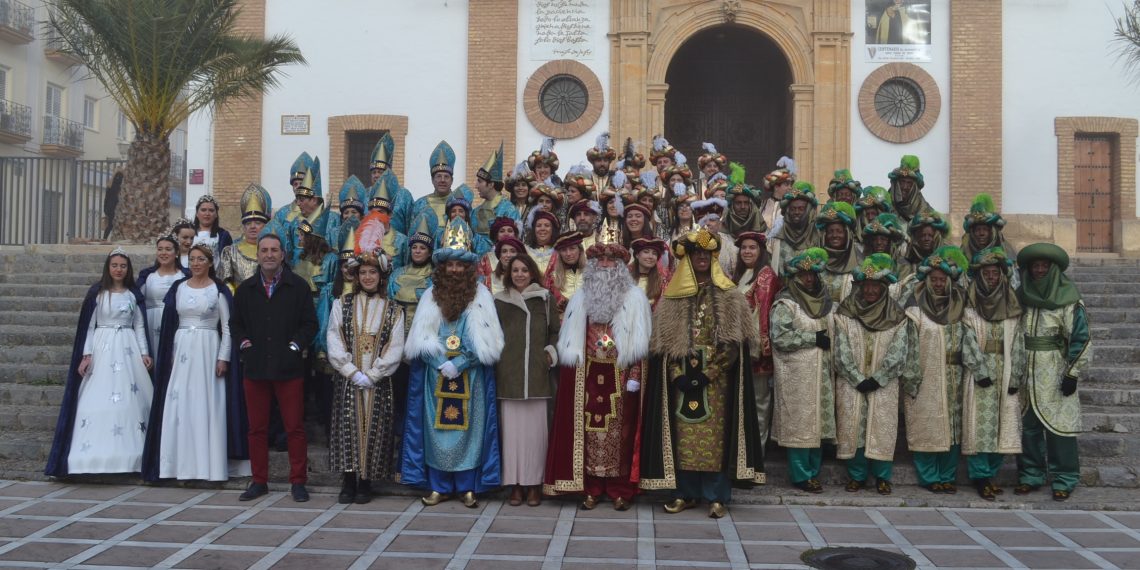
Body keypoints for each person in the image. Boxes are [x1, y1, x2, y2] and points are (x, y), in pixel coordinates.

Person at [641, 228, 765, 518]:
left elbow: (735, 343)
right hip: (681, 378)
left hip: (716, 381)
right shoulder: (672, 296)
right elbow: (662, 344)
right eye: (695, 253)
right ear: (688, 258)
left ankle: (716, 495)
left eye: (705, 254)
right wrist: (676, 374)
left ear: (713, 257)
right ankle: (685, 493)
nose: (700, 258)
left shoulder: (729, 294)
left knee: (716, 438)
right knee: (682, 438)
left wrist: (711, 371)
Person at [402, 217, 504, 508]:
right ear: (443, 267)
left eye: (461, 265)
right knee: (436, 430)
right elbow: (421, 337)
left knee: (470, 430)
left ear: (468, 268)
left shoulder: (481, 295)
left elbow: (488, 340)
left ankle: (467, 486)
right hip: (435, 376)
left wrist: (460, 363)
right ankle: (439, 485)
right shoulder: (430, 297)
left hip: (469, 374)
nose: (455, 270)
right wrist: (439, 362)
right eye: (451, 264)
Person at [546, 242, 651, 510]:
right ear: (592, 266)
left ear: (620, 266)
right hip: (588, 374)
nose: (605, 265)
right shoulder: (581, 298)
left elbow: (641, 341)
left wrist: (636, 374)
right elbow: (571, 339)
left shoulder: (635, 298)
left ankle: (619, 489)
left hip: (621, 373)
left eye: (611, 261)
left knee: (621, 435)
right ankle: (591, 488)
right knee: (590, 432)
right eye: (600, 261)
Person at [143, 242, 249, 482]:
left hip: (207, 348)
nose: (196, 263)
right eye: (192, 259)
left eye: (201, 259)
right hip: (182, 350)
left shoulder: (218, 290)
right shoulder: (179, 288)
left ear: (210, 263)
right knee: (180, 404)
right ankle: (177, 466)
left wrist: (223, 357)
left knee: (205, 404)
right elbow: (171, 324)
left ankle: (206, 466)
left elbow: (228, 328)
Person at [46, 248, 153, 477]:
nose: (118, 269)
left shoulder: (133, 295)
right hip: (102, 347)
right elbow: (90, 326)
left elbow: (140, 326)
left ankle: (129, 456)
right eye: (114, 265)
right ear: (108, 267)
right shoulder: (97, 293)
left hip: (127, 347)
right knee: (94, 399)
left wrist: (144, 352)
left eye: (123, 266)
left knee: (131, 400)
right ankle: (90, 455)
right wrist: (87, 355)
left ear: (128, 269)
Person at [231, 234, 319, 502]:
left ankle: (298, 482)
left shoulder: (298, 287)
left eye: (274, 250)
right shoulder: (246, 289)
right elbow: (236, 325)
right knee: (257, 429)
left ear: (282, 255)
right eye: (264, 250)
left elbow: (309, 325)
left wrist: (294, 347)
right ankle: (259, 481)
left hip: (288, 368)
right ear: (257, 255)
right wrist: (246, 346)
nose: (269, 255)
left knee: (294, 428)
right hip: (256, 368)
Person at [903, 246, 991, 494]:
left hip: (955, 375)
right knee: (927, 426)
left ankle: (947, 475)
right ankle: (930, 476)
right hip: (925, 375)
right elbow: (908, 346)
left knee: (952, 428)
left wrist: (979, 370)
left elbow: (969, 341)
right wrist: (911, 379)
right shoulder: (915, 310)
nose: (939, 284)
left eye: (943, 280)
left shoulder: (959, 308)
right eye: (934, 279)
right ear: (927, 281)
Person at [326, 235, 406, 504]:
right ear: (355, 276)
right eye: (363, 272)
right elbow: (334, 339)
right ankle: (348, 481)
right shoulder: (342, 304)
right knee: (347, 426)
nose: (368, 277)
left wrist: (373, 374)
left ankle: (366, 481)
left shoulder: (394, 310)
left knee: (376, 427)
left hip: (378, 380)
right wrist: (351, 371)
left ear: (381, 276)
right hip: (349, 378)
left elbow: (396, 346)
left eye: (373, 272)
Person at [1014, 243, 1091, 502]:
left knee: (1060, 429)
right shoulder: (1021, 296)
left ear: (1052, 269)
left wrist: (1073, 372)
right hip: (1026, 371)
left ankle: (1065, 478)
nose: (1038, 270)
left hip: (1056, 371)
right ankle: (1030, 474)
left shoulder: (1069, 300)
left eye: (1043, 266)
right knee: (1028, 427)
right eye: (1035, 266)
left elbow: (1081, 337)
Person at [832, 253, 914, 496]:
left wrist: (879, 378)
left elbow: (900, 350)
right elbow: (841, 348)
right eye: (865, 286)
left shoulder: (897, 316)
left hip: (883, 383)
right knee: (853, 425)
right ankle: (856, 475)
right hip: (852, 382)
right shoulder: (845, 313)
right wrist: (857, 377)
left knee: (882, 426)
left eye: (875, 286)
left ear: (883, 289)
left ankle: (882, 476)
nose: (869, 290)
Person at [495, 253, 558, 507]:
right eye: (515, 271)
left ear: (532, 273)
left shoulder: (544, 299)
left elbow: (555, 331)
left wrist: (549, 354)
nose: (519, 274)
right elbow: (492, 333)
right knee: (512, 437)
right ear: (508, 274)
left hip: (537, 376)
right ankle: (515, 485)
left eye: (524, 270)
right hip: (508, 375)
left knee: (536, 436)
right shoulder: (499, 301)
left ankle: (534, 485)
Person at [770, 248, 835, 493]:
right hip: (797, 374)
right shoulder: (786, 302)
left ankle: (814, 472)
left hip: (822, 374)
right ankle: (800, 474)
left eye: (812, 275)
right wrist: (812, 338)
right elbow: (780, 336)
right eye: (803, 275)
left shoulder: (825, 302)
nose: (808, 279)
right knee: (800, 425)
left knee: (817, 424)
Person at [963, 247, 1025, 500]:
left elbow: (1018, 343)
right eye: (986, 273)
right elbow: (967, 341)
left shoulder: (1012, 309)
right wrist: (980, 370)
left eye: (995, 273)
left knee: (1003, 425)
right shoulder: (970, 309)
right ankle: (980, 477)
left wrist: (1015, 376)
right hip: (981, 377)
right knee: (980, 427)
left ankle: (992, 472)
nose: (991, 277)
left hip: (1006, 372)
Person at [733, 231, 781, 449]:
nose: (747, 251)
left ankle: (757, 453)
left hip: (755, 351)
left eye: (752, 247)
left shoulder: (766, 275)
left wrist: (756, 347)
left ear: (761, 251)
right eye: (744, 248)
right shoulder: (741, 275)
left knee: (760, 402)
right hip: (737, 348)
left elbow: (762, 315)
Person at [137, 235, 189, 351]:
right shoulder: (147, 276)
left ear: (176, 252)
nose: (163, 253)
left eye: (168, 249)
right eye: (160, 249)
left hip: (175, 321)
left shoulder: (185, 276)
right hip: (151, 322)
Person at [219, 184, 272, 292]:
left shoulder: (273, 252)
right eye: (248, 223)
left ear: (265, 225)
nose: (252, 227)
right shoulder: (230, 252)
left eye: (257, 223)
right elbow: (225, 281)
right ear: (243, 226)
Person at [263, 151, 314, 263]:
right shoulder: (282, 214)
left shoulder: (327, 216)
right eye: (295, 184)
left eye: (302, 183)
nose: (298, 187)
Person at [388, 216, 435, 334]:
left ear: (429, 253)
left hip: (424, 331)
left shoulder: (435, 276)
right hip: (396, 330)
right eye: (414, 247)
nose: (417, 251)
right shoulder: (396, 274)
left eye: (422, 248)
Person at [412, 140, 475, 229]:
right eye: (438, 176)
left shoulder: (461, 203)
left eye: (446, 177)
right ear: (432, 180)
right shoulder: (420, 204)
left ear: (452, 180)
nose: (442, 180)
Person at [961, 193, 1019, 287]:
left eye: (985, 230)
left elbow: (1014, 285)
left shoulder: (1006, 252)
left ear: (992, 232)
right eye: (978, 230)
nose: (981, 233)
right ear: (972, 233)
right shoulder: (963, 253)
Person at [896, 208, 950, 298]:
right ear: (916, 238)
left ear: (936, 237)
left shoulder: (947, 261)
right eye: (922, 235)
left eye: (930, 236)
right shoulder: (905, 262)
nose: (926, 239)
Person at [472, 143, 520, 244]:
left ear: (490, 184)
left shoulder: (509, 210)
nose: (476, 186)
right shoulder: (475, 212)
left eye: (480, 181)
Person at [368, 132, 413, 236]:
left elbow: (410, 224)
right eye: (374, 172)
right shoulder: (366, 195)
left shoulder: (404, 195)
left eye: (380, 172)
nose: (376, 175)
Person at [768, 181, 820, 271]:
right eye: (793, 209)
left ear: (808, 211)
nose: (796, 212)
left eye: (801, 209)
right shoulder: (776, 239)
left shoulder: (818, 235)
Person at [814, 201, 859, 303]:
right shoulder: (815, 263)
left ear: (847, 234)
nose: (834, 235)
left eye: (839, 231)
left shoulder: (859, 264)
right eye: (830, 232)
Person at [544, 231, 585, 319]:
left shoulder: (592, 275)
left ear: (580, 250)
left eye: (572, 248)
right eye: (564, 250)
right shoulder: (552, 279)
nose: (568, 253)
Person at [723, 163, 772, 237]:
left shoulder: (766, 234)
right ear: (731, 205)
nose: (743, 207)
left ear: (751, 205)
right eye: (738, 203)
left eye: (746, 203)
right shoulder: (720, 231)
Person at [887, 155, 931, 230]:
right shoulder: (886, 204)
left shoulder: (924, 209)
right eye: (902, 182)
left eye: (909, 183)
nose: (904, 187)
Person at [191, 195, 233, 268]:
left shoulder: (223, 235)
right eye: (203, 210)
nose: (207, 214)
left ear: (216, 214)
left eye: (211, 210)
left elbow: (229, 261)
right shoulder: (189, 233)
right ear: (197, 213)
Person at [630, 237, 669, 307]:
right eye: (646, 252)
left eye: (654, 253)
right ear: (637, 255)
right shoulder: (626, 278)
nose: (650, 256)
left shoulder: (662, 282)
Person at [525, 207, 560, 276]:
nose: (542, 229)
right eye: (538, 226)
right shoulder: (525, 251)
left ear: (553, 230)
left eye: (547, 225)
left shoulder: (560, 252)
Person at [102, 169, 123, 240]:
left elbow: (106, 198)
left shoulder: (110, 185)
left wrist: (105, 209)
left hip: (109, 208)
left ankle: (105, 238)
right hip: (115, 208)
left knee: (110, 225)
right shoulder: (120, 186)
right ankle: (108, 238)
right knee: (114, 225)